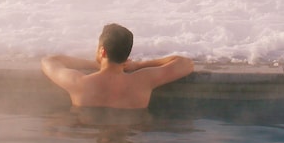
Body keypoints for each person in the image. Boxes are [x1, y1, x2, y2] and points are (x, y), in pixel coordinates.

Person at [41, 23, 194, 109]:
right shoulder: (143, 82)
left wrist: (96, 64)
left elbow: (49, 61)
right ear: (127, 54)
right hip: (129, 136)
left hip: (91, 133)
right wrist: (140, 65)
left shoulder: (79, 83)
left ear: (102, 51)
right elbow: (186, 64)